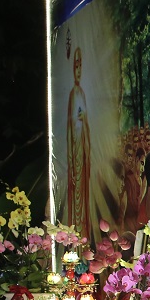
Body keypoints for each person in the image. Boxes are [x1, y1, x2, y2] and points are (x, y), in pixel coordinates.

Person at [66, 47, 92, 239]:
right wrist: (70, 158)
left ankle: (83, 234)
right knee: (76, 196)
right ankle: (75, 237)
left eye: (80, 66)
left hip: (82, 150)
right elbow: (70, 128)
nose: (78, 70)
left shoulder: (82, 93)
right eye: (76, 66)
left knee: (83, 193)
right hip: (75, 151)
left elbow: (85, 124)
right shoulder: (72, 95)